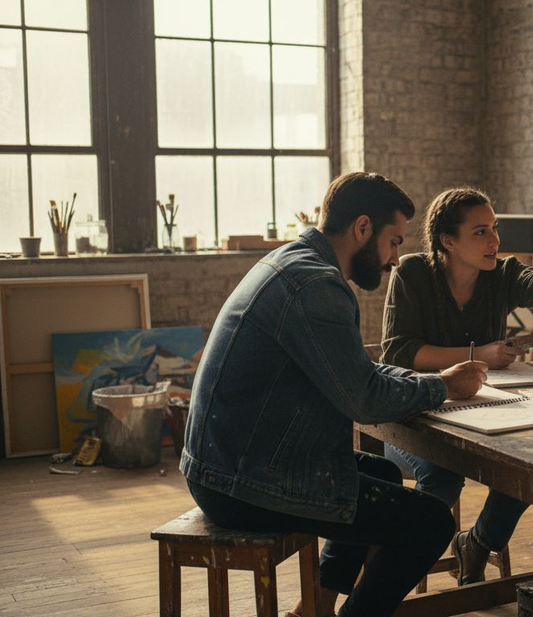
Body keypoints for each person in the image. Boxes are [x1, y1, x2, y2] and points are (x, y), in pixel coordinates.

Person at [181, 172, 488, 617]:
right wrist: (443, 385)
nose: (395, 259)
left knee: (381, 473)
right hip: (239, 482)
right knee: (430, 523)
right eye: (393, 241)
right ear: (362, 228)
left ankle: (314, 608)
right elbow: (362, 399)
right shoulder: (316, 286)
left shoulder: (293, 261)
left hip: (224, 463)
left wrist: (424, 379)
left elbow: (352, 372)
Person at [381, 187, 533, 584]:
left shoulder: (501, 272)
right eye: (481, 232)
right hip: (410, 418)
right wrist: (479, 352)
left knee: (529, 463)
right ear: (448, 241)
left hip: (480, 410)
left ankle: (478, 543)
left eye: (495, 229)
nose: (495, 241)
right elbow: (399, 353)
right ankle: (394, 573)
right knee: (443, 477)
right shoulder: (412, 273)